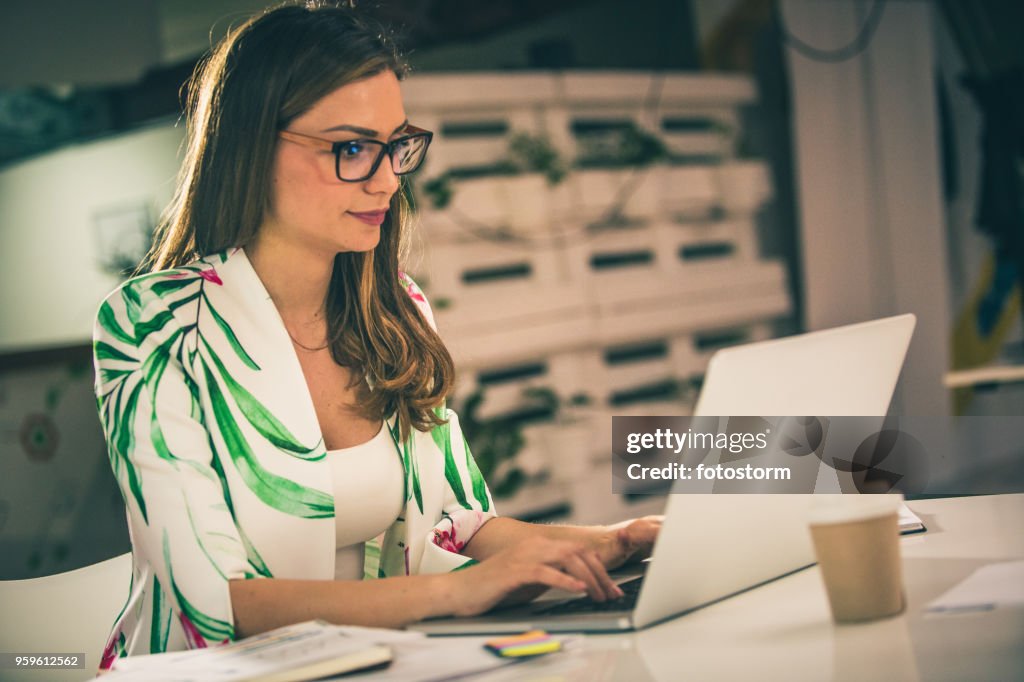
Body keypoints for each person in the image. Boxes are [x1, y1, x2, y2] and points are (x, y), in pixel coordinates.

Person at [92, 0, 660, 669]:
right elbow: (212, 603)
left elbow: (457, 522)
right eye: (353, 148)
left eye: (395, 145)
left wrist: (600, 543)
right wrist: (457, 595)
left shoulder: (395, 308)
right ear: (252, 142)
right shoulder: (153, 327)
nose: (389, 177)